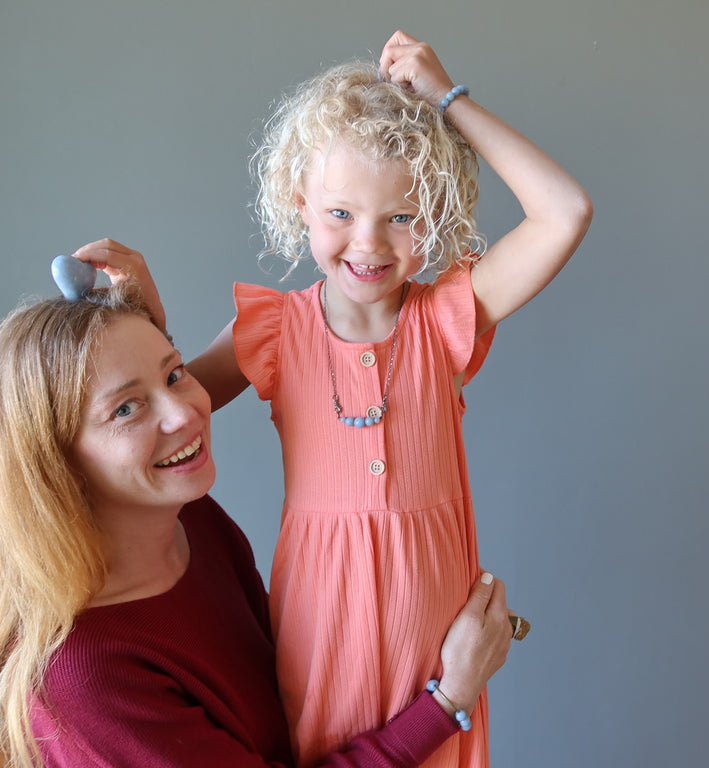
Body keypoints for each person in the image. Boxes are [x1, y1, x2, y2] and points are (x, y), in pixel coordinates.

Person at [77, 29, 592, 768]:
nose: (369, 244)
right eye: (341, 214)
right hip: (324, 641)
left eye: (402, 217)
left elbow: (565, 211)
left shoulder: (448, 318)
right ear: (301, 206)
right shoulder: (273, 331)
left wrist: (448, 99)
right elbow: (171, 411)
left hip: (439, 643)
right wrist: (147, 320)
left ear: (434, 212)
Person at [0, 275, 513, 768]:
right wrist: (447, 699)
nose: (186, 411)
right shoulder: (82, 673)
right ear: (55, 464)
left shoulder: (190, 522)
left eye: (174, 373)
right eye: (126, 408)